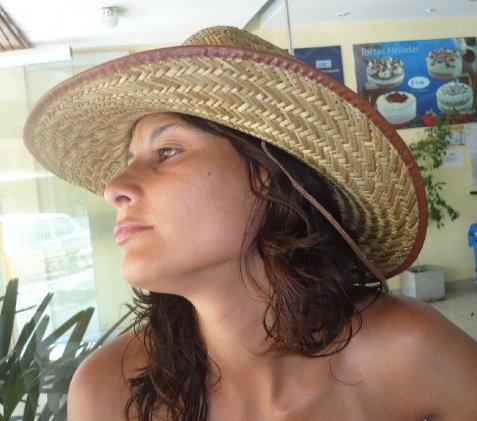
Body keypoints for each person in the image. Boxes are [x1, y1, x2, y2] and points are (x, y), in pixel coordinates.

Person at [23, 26, 477, 421]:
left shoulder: (408, 350)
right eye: (129, 161)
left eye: (167, 152)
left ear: (268, 178)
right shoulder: (108, 390)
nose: (114, 188)